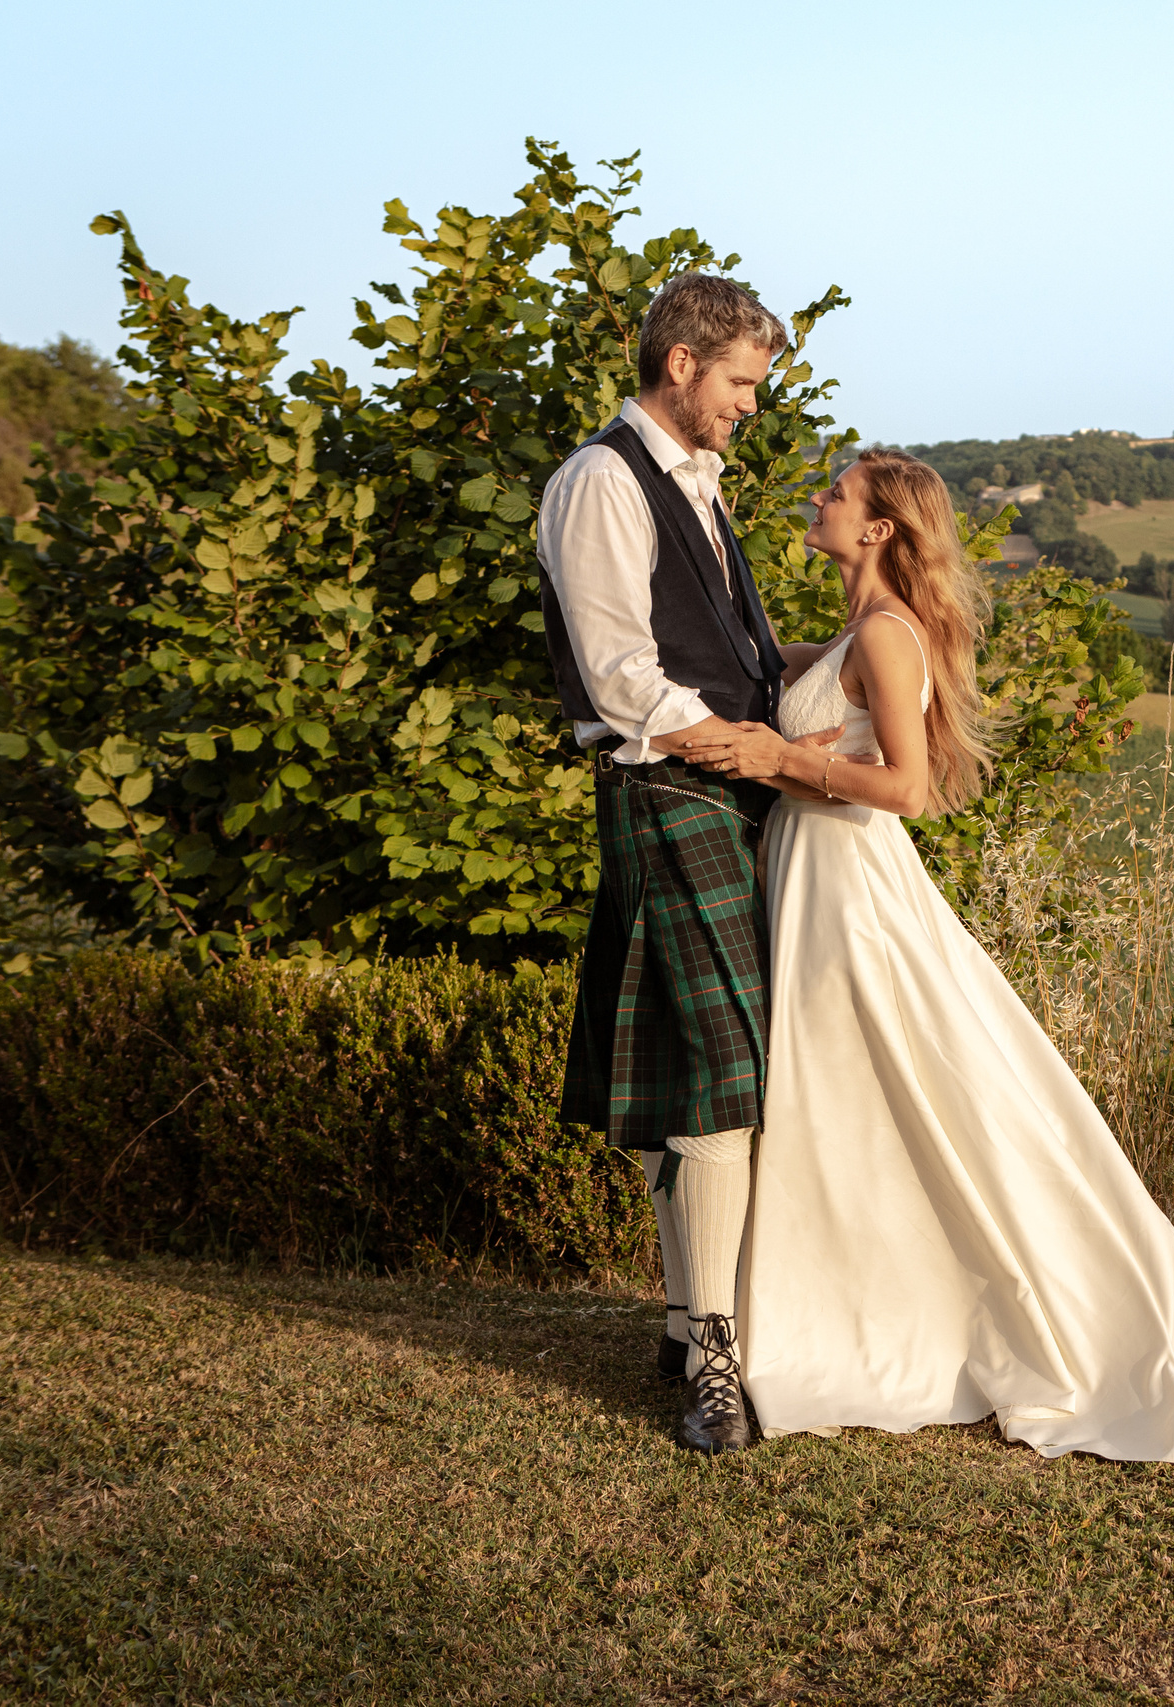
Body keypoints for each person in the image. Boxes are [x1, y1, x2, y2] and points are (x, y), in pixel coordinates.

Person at [682, 452, 1174, 1479]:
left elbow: (905, 787)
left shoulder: (885, 635)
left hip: (851, 887)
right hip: (808, 869)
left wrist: (787, 760)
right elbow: (757, 660)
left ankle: (908, 1317)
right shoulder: (852, 631)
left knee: (882, 1089)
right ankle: (832, 1300)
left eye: (837, 496)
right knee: (848, 1097)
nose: (818, 502)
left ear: (877, 530)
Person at [536, 272, 837, 1455]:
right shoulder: (602, 480)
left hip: (721, 784)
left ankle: (679, 1318)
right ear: (681, 366)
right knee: (723, 1065)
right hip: (668, 785)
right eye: (742, 382)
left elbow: (733, 660)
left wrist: (876, 645)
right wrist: (762, 755)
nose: (751, 406)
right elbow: (623, 680)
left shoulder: (694, 484)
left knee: (699, 1058)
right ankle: (713, 1360)